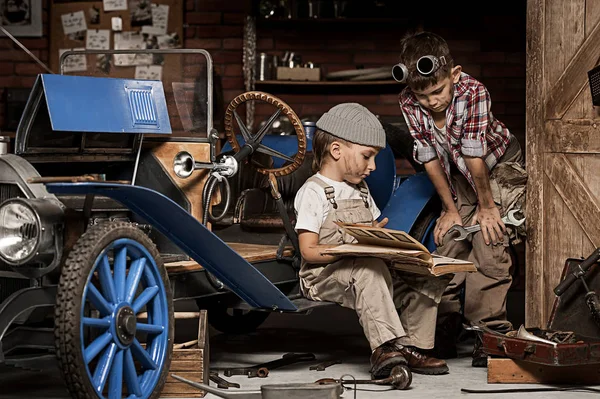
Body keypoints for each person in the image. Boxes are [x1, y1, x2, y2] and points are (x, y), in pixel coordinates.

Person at [395, 31, 527, 367]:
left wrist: (487, 207)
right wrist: (450, 210)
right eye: (422, 95)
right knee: (451, 240)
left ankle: (490, 333)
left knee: (489, 238)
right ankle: (445, 327)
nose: (431, 101)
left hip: (496, 164)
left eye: (438, 91)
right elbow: (428, 157)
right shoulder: (410, 100)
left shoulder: (473, 91)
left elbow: (473, 154)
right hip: (458, 170)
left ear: (453, 75)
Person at [293, 103, 450, 378]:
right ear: (337, 150)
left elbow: (373, 231)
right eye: (367, 156)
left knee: (424, 276)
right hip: (324, 275)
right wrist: (350, 248)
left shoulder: (361, 191)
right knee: (370, 270)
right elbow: (308, 252)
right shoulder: (313, 192)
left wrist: (384, 240)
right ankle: (384, 349)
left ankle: (410, 346)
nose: (373, 166)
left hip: (367, 268)